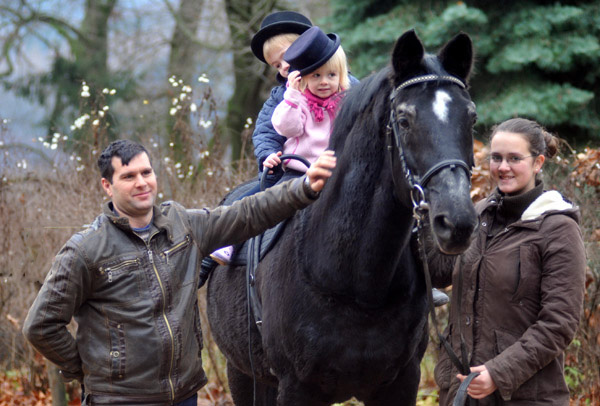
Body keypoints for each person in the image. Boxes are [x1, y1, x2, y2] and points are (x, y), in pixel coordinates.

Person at [22, 139, 336, 405]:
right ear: (107, 185)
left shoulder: (182, 225)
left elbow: (248, 213)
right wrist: (84, 368)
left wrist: (304, 188)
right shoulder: (85, 250)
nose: (142, 182)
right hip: (120, 399)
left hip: (184, 392)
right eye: (128, 176)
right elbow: (41, 325)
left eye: (146, 172)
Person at [432, 118, 586, 405]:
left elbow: (558, 323)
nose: (503, 167)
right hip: (461, 392)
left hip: (525, 396)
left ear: (538, 162)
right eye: (497, 158)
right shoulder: (477, 215)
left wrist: (498, 374)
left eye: (515, 158)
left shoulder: (558, 229)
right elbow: (439, 273)